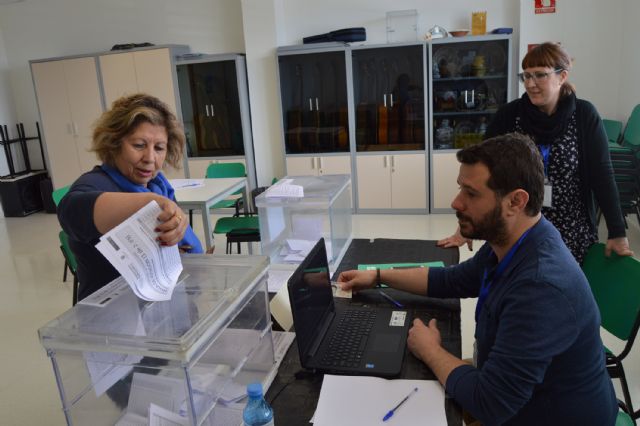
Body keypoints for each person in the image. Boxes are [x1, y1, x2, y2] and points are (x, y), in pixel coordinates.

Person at [339, 133, 617, 425]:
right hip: (521, 397)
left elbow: (490, 403)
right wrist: (378, 276)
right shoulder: (515, 240)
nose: (456, 203)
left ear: (515, 201)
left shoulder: (539, 288)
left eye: (471, 194)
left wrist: (431, 350)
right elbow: (451, 280)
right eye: (461, 189)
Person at [437, 42, 632, 264]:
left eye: (540, 75)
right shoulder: (510, 115)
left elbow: (602, 174)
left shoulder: (584, 115)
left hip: (571, 233)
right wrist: (466, 225)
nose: (531, 84)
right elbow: (480, 171)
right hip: (516, 230)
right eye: (526, 76)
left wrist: (617, 232)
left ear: (562, 76)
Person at [58, 93, 203, 301]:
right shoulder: (97, 183)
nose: (150, 158)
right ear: (114, 143)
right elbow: (71, 212)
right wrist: (148, 203)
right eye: (139, 145)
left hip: (164, 305)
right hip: (114, 316)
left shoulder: (158, 186)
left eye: (159, 148)